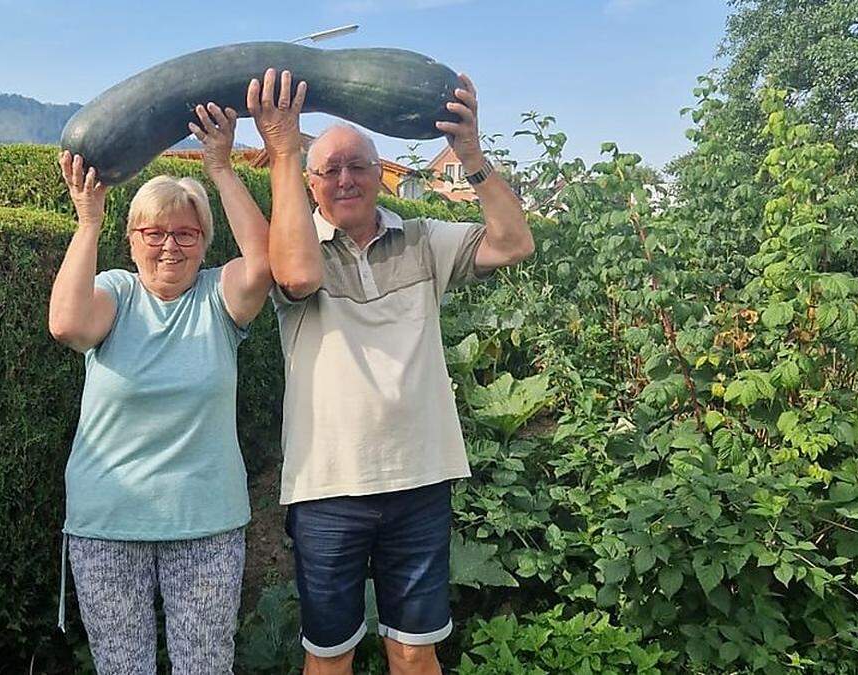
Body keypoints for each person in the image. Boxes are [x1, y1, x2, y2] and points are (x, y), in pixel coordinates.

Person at [252, 68, 535, 674]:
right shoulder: (294, 248)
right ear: (310, 182)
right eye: (329, 169)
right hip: (328, 489)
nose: (346, 179)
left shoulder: (424, 239)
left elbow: (513, 244)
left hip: (420, 479)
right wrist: (280, 147)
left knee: (415, 651)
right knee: (330, 657)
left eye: (359, 166)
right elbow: (297, 277)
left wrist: (471, 155)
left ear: (381, 175)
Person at [48, 99, 271, 674]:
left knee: (205, 666)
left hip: (206, 524)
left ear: (204, 241)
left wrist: (220, 168)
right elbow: (67, 325)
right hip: (109, 524)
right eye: (154, 232)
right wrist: (88, 220)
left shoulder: (220, 299)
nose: (170, 245)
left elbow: (266, 261)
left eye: (186, 234)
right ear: (132, 238)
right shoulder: (116, 294)